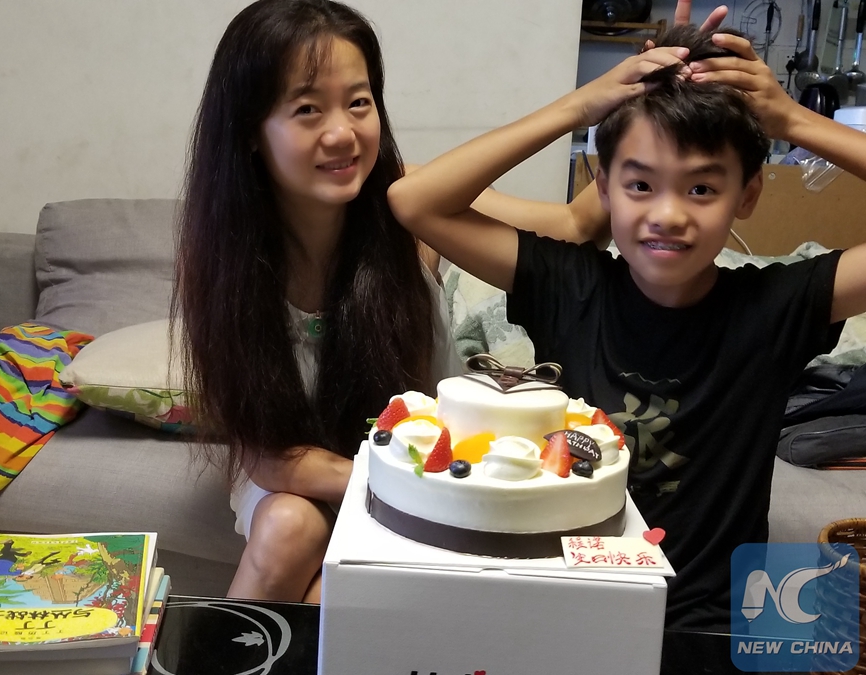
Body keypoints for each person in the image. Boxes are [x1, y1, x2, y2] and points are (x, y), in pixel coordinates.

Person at [174, 0, 665, 603]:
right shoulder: (223, 261)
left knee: (329, 600)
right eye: (307, 109)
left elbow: (574, 226)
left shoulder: (408, 206)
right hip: (321, 480)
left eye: (359, 103)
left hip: (433, 478)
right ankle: (215, 645)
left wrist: (612, 103)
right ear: (250, 129)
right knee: (288, 528)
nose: (342, 133)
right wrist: (421, 483)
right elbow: (270, 459)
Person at [386, 25, 866, 635]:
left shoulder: (778, 306)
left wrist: (793, 120)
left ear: (747, 196)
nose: (667, 214)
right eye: (640, 184)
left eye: (701, 188)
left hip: (709, 627)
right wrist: (578, 107)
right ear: (605, 189)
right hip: (573, 606)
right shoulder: (569, 286)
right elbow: (414, 201)